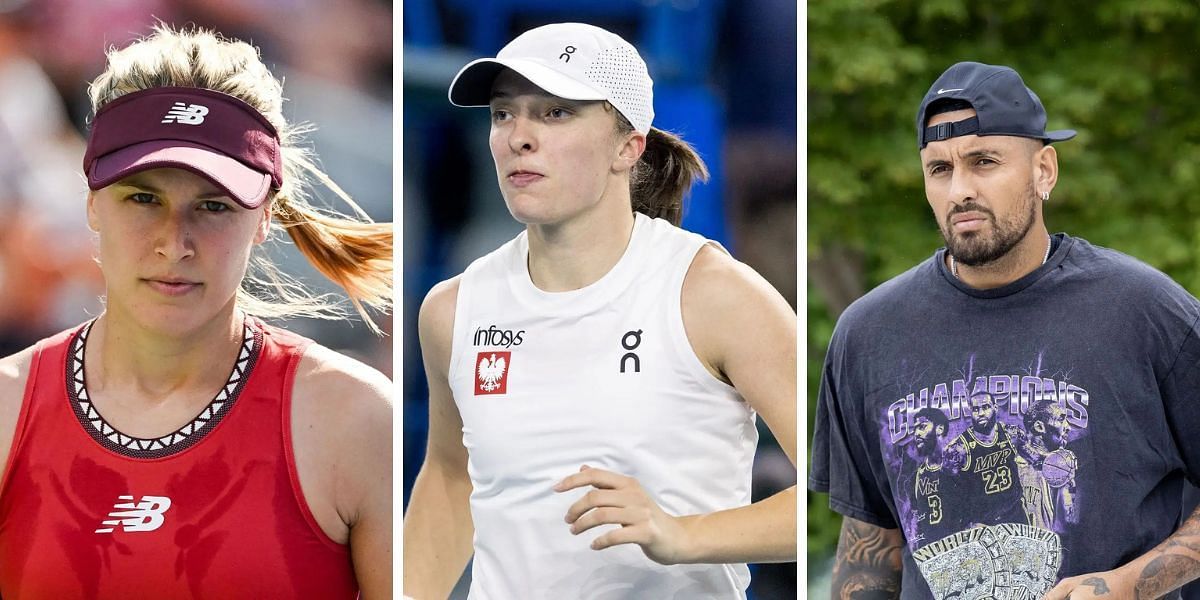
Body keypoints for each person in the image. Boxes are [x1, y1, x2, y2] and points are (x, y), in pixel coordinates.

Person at [403, 22, 797, 599]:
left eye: (556, 113)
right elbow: (451, 475)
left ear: (628, 145)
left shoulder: (714, 295)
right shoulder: (452, 308)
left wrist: (682, 534)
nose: (519, 137)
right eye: (504, 114)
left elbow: (841, 490)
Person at [0, 26, 392, 597]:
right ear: (90, 201)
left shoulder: (353, 419)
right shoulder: (6, 408)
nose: (174, 243)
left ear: (263, 219)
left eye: (212, 206)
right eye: (143, 198)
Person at [810, 61, 1200, 600]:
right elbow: (870, 540)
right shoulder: (867, 333)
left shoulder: (1147, 312)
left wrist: (1126, 586)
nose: (960, 190)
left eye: (984, 161)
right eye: (939, 169)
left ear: (1044, 170)